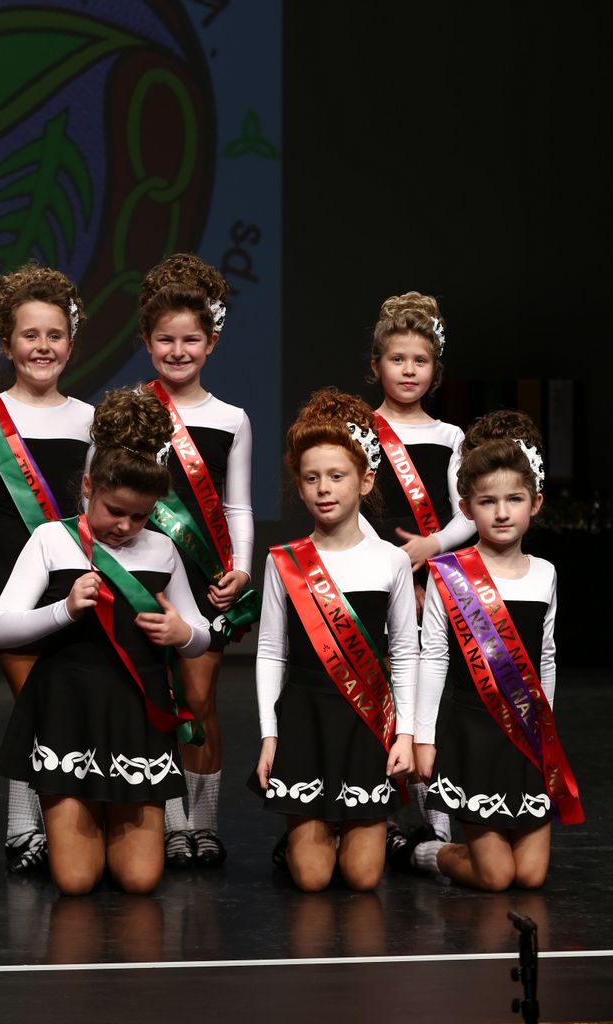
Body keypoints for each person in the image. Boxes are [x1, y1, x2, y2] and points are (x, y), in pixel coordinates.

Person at [0, 386, 211, 895]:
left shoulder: (162, 550)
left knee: (140, 879)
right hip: (67, 710)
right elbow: (0, 628)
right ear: (89, 486)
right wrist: (63, 610)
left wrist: (182, 634)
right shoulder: (52, 539)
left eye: (141, 515)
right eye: (114, 510)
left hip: (136, 715)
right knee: (76, 881)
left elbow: (199, 636)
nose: (125, 527)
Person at [0, 263, 94, 872]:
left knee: (61, 700)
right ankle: (24, 828)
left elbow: (97, 506)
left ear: (70, 344)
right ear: (7, 344)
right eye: (30, 335)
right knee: (34, 696)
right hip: (4, 575)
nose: (42, 346)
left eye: (54, 335)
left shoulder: (88, 418)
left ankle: (49, 826)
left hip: (71, 578)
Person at [254, 388, 419, 892]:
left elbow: (405, 652)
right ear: (299, 487)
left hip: (366, 722)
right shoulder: (285, 561)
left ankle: (340, 831)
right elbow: (271, 652)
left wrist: (405, 735)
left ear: (365, 480)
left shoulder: (390, 560)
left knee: (363, 878)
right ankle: (298, 842)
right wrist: (269, 736)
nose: (324, 488)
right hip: (305, 718)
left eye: (337, 476)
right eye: (311, 478)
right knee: (311, 879)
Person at [411, 415, 583, 890]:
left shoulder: (545, 573)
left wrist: (546, 729)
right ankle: (430, 852)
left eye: (514, 500)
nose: (502, 513)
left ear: (535, 503)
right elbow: (433, 657)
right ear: (467, 508)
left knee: (530, 876)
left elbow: (545, 657)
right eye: (488, 502)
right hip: (473, 732)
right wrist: (424, 737)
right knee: (496, 877)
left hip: (527, 734)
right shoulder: (450, 572)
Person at [140, 253, 257, 868]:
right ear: (147, 342)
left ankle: (201, 824)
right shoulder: (131, 409)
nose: (178, 351)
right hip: (141, 573)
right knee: (149, 701)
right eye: (166, 339)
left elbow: (238, 506)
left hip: (207, 579)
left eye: (190, 340)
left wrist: (242, 568)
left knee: (199, 701)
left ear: (211, 343)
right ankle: (165, 823)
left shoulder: (231, 419)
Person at [364, 290, 475, 854]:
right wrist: (393, 572)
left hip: (435, 584)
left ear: (435, 370)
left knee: (429, 697)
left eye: (420, 360)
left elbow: (468, 515)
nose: (408, 370)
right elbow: (348, 511)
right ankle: (378, 815)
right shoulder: (361, 431)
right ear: (376, 365)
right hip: (373, 581)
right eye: (397, 359)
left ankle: (436, 820)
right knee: (378, 693)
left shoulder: (450, 437)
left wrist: (430, 547)